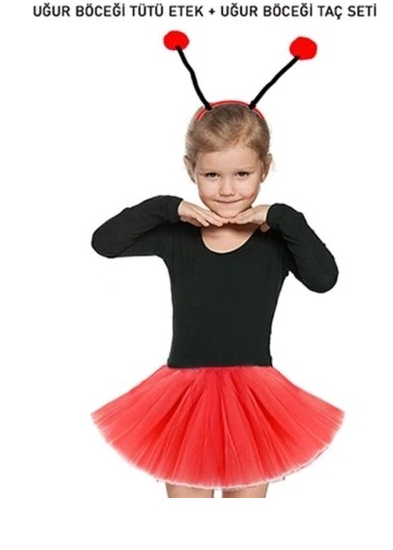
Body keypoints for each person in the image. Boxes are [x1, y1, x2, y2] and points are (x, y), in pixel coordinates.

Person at [90, 102, 344, 498]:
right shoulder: (177, 235)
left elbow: (324, 279)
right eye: (211, 175)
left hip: (254, 398)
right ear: (191, 169)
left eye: (242, 174)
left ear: (265, 168)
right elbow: (104, 243)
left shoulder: (276, 239)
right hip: (183, 396)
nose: (227, 189)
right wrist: (167, 207)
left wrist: (282, 216)